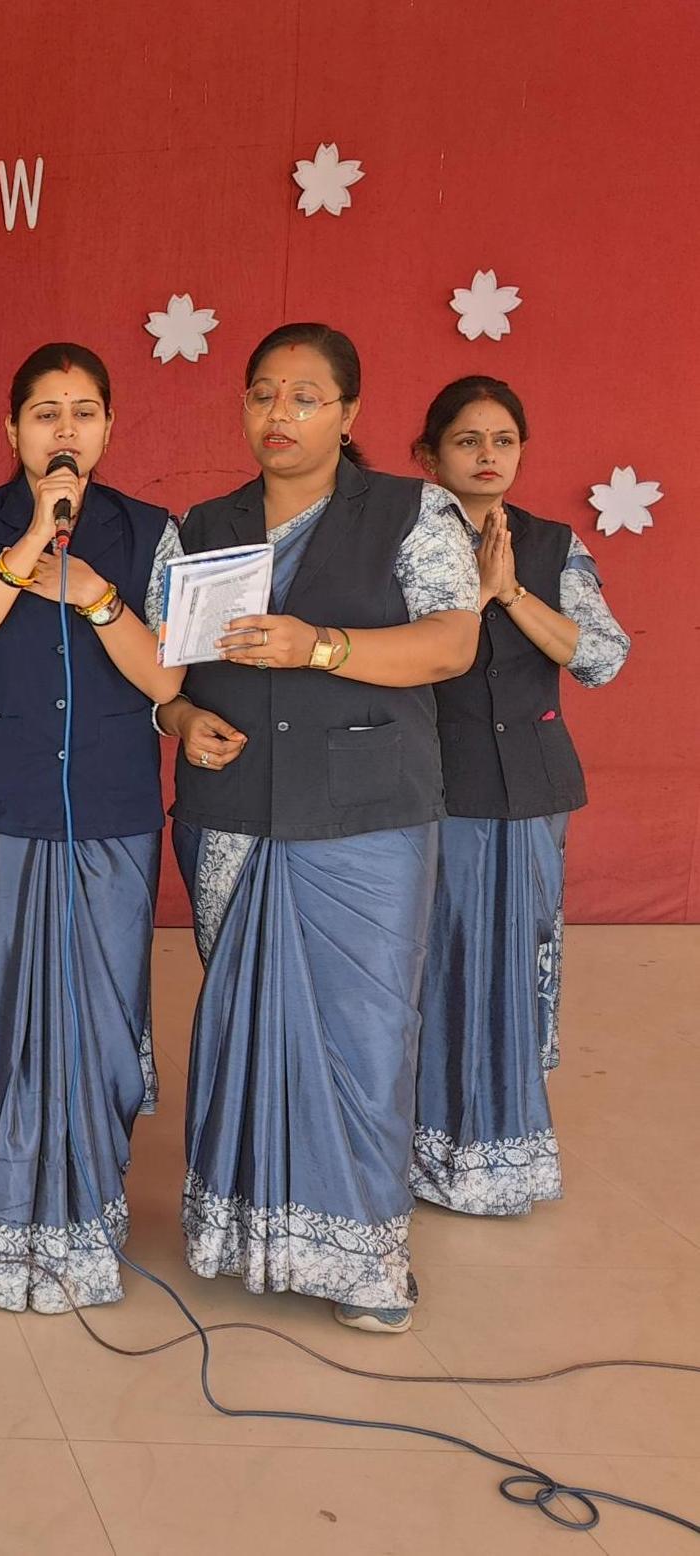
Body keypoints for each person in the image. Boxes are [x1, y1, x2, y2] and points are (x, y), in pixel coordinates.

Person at [155, 323, 480, 1333]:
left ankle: (365, 1254)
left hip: (366, 816)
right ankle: (252, 1228)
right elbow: (164, 673)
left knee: (364, 1033)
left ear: (349, 414)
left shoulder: (411, 511)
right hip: (235, 811)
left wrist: (322, 646)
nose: (279, 415)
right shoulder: (200, 525)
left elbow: (452, 642)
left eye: (304, 396)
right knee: (248, 1021)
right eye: (262, 393)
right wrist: (178, 716)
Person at [0, 344, 183, 1312]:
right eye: (43, 413)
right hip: (0, 807)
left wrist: (98, 595)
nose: (63, 431)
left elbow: (169, 678)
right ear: (11, 431)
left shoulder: (156, 533)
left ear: (110, 428)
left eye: (81, 412)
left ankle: (81, 1210)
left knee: (101, 1018)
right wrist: (30, 543)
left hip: (109, 811)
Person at [407, 376, 630, 1215]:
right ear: (428, 457)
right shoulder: (403, 541)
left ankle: (500, 1152)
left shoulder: (550, 544)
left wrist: (508, 592)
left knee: (515, 962)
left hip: (532, 789)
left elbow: (600, 657)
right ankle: (418, 1147)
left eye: (503, 440)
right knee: (439, 961)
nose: (487, 456)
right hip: (432, 787)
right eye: (467, 441)